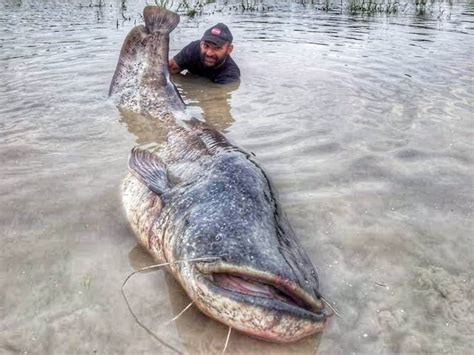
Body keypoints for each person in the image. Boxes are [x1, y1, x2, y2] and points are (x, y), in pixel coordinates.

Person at [169, 23, 240, 85]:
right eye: (206, 46)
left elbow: (217, 96)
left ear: (229, 49)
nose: (209, 53)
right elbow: (168, 70)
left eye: (217, 48)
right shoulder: (193, 49)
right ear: (201, 44)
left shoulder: (230, 74)